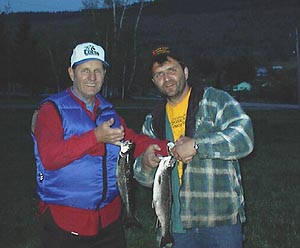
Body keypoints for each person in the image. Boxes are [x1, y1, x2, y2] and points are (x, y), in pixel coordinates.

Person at [31, 42, 169, 248]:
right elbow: (50, 158)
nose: (92, 77)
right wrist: (95, 137)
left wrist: (170, 147)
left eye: (98, 70)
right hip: (65, 222)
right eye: (85, 70)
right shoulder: (52, 110)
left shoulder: (107, 111)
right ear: (71, 73)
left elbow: (132, 141)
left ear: (104, 74)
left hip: (109, 221)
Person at [133, 46, 254, 248]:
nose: (167, 78)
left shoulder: (215, 101)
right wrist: (145, 164)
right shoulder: (153, 121)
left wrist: (198, 145)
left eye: (172, 70)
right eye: (159, 74)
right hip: (175, 227)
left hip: (220, 221)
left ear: (185, 72)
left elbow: (244, 137)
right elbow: (143, 178)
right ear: (154, 82)